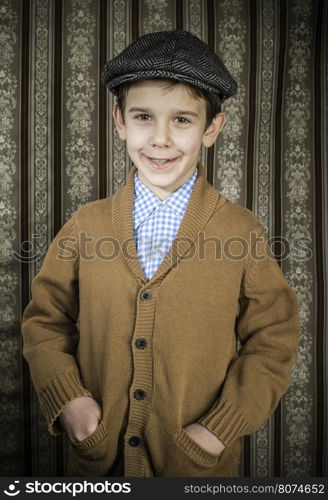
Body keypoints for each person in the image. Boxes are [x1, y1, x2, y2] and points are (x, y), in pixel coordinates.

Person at [21, 30, 301, 477]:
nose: (161, 139)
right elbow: (44, 320)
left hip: (195, 467)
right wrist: (68, 398)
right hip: (100, 466)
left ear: (212, 128)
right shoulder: (86, 225)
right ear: (119, 122)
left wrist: (216, 429)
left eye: (183, 120)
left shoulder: (240, 231)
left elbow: (274, 338)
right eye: (144, 117)